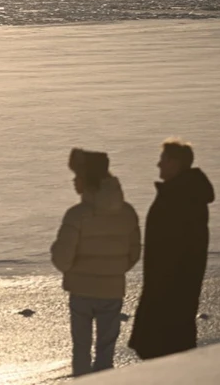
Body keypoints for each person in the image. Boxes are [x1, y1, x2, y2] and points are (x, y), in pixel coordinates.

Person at [50, 148, 141, 377]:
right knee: (105, 350)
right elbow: (134, 254)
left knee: (81, 348)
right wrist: (113, 270)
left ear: (86, 181)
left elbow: (62, 258)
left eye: (77, 177)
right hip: (112, 290)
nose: (73, 182)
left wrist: (72, 268)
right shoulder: (128, 212)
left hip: (81, 291)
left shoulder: (76, 215)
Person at [128, 138, 215, 360]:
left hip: (169, 288)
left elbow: (177, 249)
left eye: (163, 160)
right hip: (172, 286)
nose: (158, 165)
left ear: (175, 163)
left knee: (163, 349)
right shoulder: (182, 194)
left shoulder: (180, 197)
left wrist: (159, 287)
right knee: (168, 348)